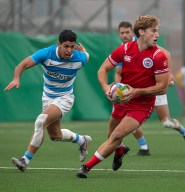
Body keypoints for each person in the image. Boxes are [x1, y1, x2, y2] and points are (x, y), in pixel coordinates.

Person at [76, 15, 169, 178]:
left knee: (117, 135)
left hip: (142, 106)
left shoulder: (158, 56)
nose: (157, 35)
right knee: (111, 135)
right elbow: (102, 70)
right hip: (122, 101)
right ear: (141, 32)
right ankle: (120, 150)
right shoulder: (124, 50)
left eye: (158, 31)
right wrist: (106, 87)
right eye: (153, 31)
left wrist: (137, 91)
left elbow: (162, 88)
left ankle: (86, 167)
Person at [4, 29, 92, 172]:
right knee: (55, 135)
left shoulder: (80, 58)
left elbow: (86, 55)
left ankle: (25, 160)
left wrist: (83, 50)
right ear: (59, 44)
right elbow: (22, 65)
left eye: (72, 46)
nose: (69, 50)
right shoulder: (46, 54)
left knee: (40, 120)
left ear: (75, 46)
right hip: (48, 97)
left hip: (65, 98)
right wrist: (16, 78)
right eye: (66, 46)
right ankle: (82, 140)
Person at [115, 21, 185, 155]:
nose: (125, 35)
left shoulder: (145, 42)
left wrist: (168, 75)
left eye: (127, 32)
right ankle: (144, 148)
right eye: (122, 33)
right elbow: (118, 71)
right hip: (136, 91)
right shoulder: (123, 49)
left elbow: (166, 54)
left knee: (166, 122)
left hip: (154, 88)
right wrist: (117, 87)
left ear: (134, 32)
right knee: (128, 119)